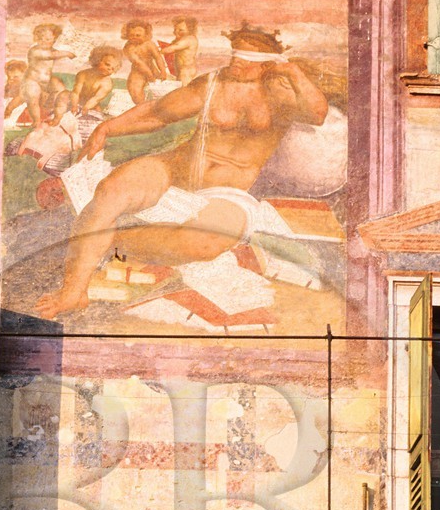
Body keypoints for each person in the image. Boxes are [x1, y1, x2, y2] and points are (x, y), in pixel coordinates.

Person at [33, 25, 329, 318]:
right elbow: (158, 113)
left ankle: (109, 239)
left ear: (268, 63)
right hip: (173, 168)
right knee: (112, 190)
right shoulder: (213, 83)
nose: (235, 62)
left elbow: (317, 114)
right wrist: (106, 128)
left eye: (246, 58)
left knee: (204, 243)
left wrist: (292, 72)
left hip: (227, 192)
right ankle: (73, 292)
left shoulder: (280, 93)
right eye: (234, 55)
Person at [19, 23, 75, 123]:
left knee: (61, 89)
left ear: (54, 39)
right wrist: (67, 53)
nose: (44, 42)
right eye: (41, 39)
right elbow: (50, 56)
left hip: (46, 80)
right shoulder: (35, 50)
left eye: (48, 39)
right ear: (36, 38)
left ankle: (55, 114)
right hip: (32, 80)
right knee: (33, 100)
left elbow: (56, 54)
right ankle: (36, 121)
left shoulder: (53, 50)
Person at [121, 19, 171, 106]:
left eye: (138, 35)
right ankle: (142, 107)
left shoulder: (149, 44)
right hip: (138, 72)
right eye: (131, 35)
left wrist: (163, 71)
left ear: (146, 35)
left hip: (153, 70)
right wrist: (150, 76)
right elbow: (139, 63)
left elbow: (158, 57)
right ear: (127, 35)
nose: (134, 37)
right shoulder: (129, 47)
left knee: (163, 90)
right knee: (135, 91)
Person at [160, 16, 199, 87]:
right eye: (175, 29)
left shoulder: (189, 39)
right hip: (180, 70)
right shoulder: (180, 40)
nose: (176, 32)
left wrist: (158, 52)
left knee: (183, 91)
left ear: (190, 29)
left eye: (180, 30)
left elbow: (172, 48)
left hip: (186, 71)